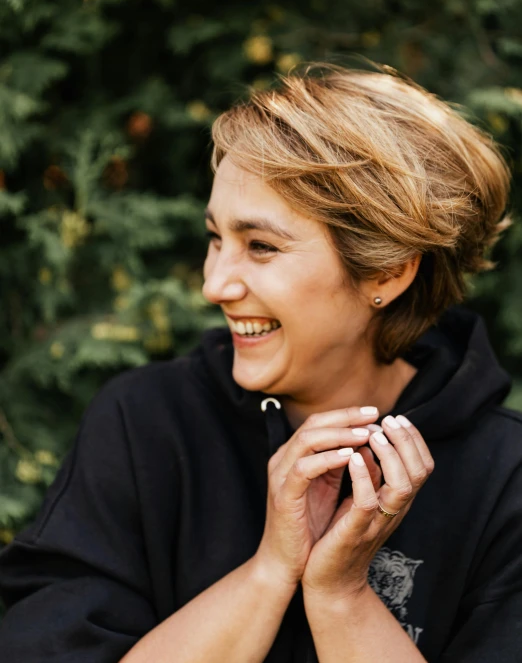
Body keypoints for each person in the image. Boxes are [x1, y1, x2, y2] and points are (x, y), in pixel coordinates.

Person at [0, 62, 520, 663]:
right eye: (216, 237)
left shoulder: (506, 480)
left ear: (387, 270)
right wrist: (271, 570)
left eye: (261, 246)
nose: (214, 284)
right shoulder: (144, 425)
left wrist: (342, 595)